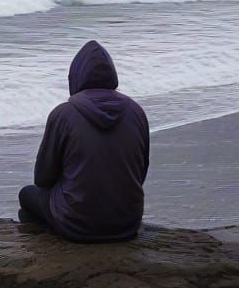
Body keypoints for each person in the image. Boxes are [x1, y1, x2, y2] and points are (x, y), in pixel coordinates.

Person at [18, 40, 150, 242]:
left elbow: (43, 178)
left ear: (76, 76)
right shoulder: (136, 112)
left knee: (26, 196)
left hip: (76, 225)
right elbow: (139, 174)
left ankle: (43, 251)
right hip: (128, 224)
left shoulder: (63, 114)